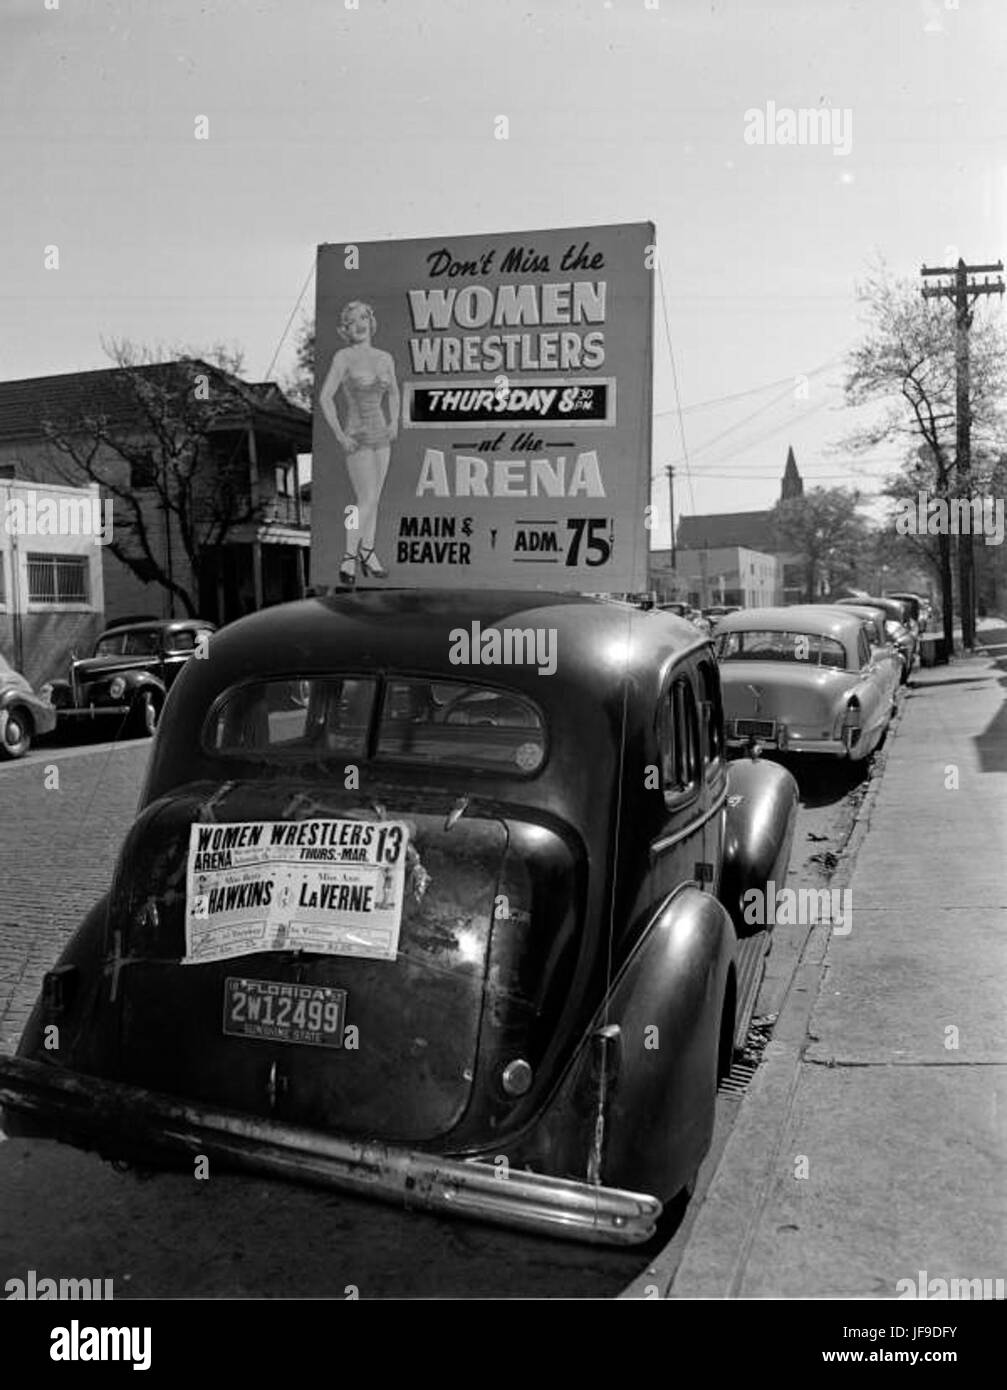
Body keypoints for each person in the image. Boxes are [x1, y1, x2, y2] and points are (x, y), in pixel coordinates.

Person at [319, 301, 400, 584]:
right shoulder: (343, 357)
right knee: (364, 500)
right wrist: (340, 435)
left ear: (371, 320)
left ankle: (368, 552)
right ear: (345, 328)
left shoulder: (385, 357)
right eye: (352, 320)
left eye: (363, 317)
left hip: (381, 434)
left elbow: (394, 393)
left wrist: (394, 422)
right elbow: (325, 397)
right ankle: (349, 556)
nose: (359, 324)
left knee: (375, 499)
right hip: (358, 434)